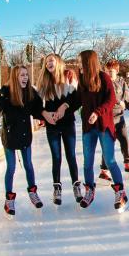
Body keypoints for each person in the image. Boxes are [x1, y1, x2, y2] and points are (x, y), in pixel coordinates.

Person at [0, 65, 44, 216]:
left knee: (29, 165)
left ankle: (33, 191)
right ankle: (9, 198)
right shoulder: (5, 92)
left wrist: (44, 117)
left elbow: (38, 108)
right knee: (11, 167)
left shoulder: (30, 92)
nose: (25, 77)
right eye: (22, 75)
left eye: (26, 75)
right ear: (15, 77)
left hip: (24, 135)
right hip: (9, 136)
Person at [76, 50, 128, 212]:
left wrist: (97, 113)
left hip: (104, 126)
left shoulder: (104, 78)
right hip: (88, 128)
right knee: (87, 163)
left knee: (110, 160)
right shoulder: (82, 81)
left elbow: (111, 99)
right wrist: (62, 108)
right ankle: (90, 190)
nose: (78, 65)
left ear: (88, 62)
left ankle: (121, 192)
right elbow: (76, 100)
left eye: (80, 62)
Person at [38, 53, 83, 206]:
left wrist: (64, 106)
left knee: (71, 155)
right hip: (52, 124)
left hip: (68, 122)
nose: (48, 63)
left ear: (58, 62)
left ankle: (76, 185)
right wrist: (44, 115)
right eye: (46, 61)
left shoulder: (69, 75)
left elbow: (76, 98)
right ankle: (57, 188)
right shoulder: (44, 80)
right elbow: (37, 104)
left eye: (51, 60)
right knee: (56, 157)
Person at [99, 62, 129, 180]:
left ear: (116, 71)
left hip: (119, 117)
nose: (108, 73)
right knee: (108, 144)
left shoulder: (122, 83)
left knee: (125, 140)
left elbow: (128, 99)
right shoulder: (102, 83)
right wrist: (119, 102)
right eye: (107, 71)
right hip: (107, 118)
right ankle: (104, 170)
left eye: (111, 71)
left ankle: (128, 164)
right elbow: (103, 100)